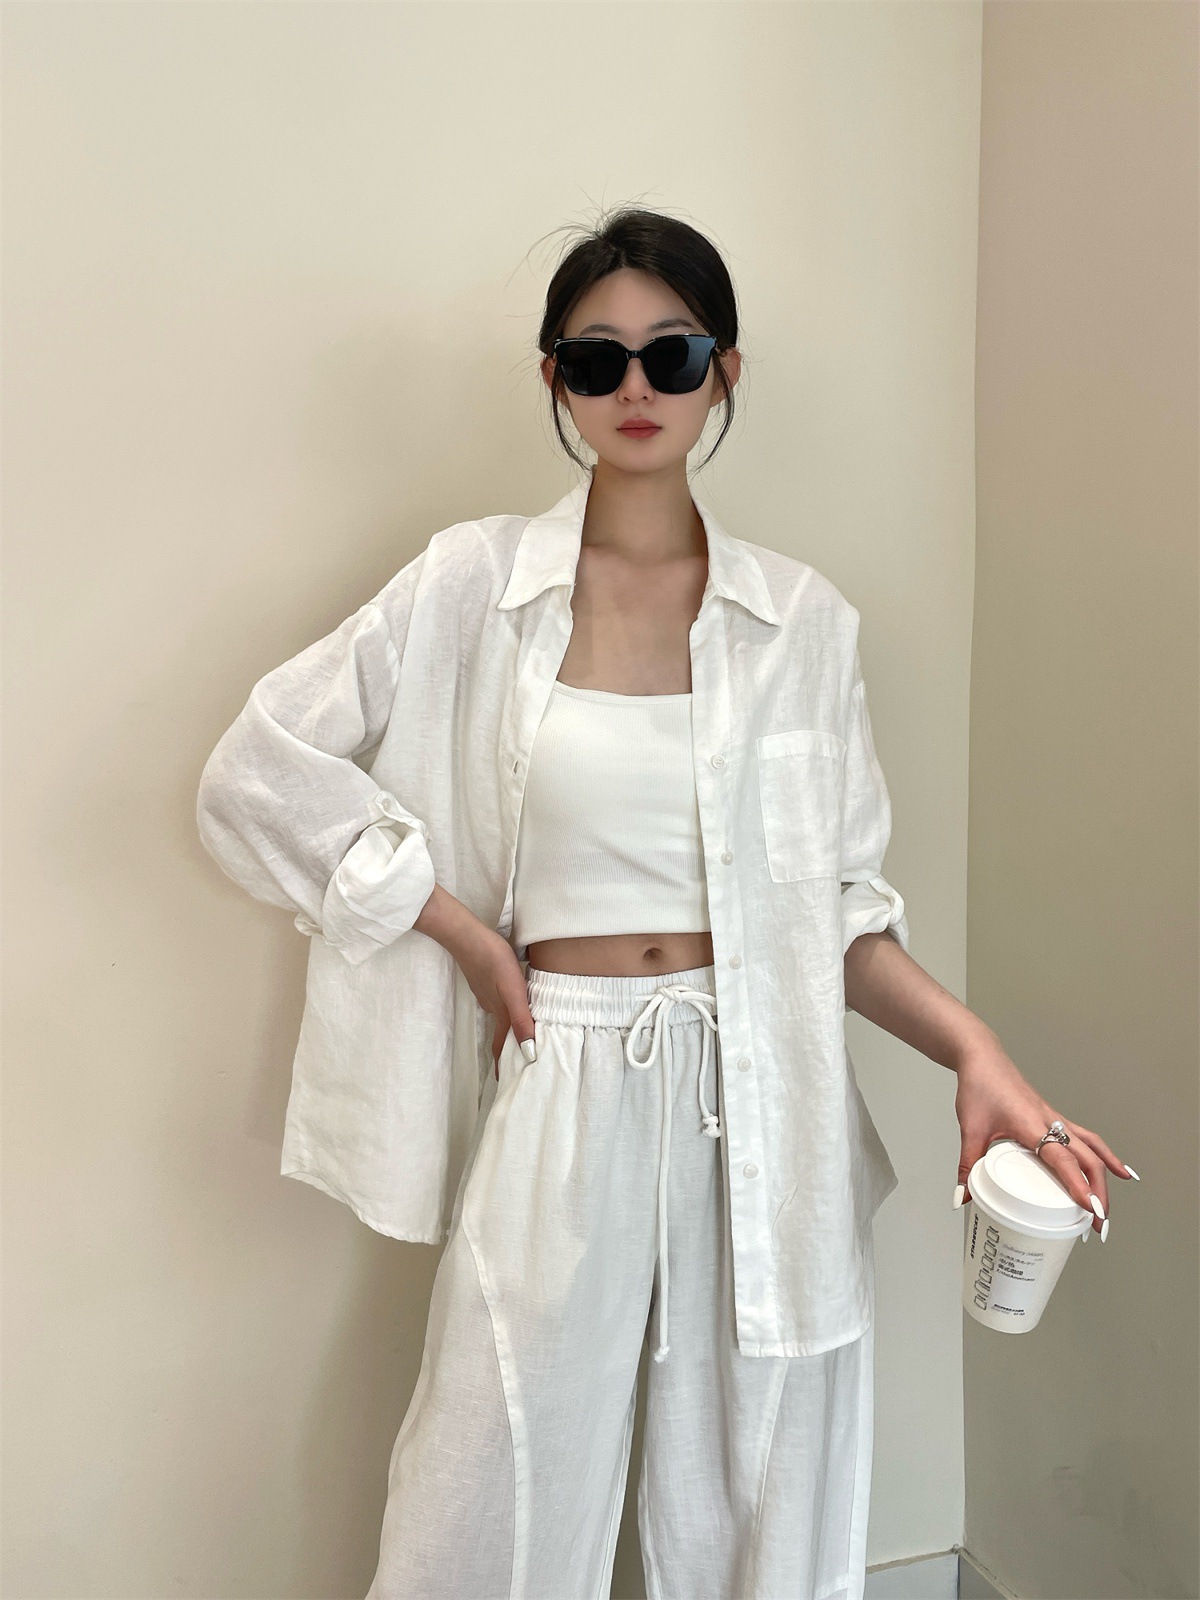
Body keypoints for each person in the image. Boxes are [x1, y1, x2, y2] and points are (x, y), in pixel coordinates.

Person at [196, 206, 1135, 1600]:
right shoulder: (471, 586)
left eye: (672, 353)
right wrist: (457, 930)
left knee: (771, 1486)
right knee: (491, 1467)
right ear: (556, 381)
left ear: (724, 371)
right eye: (596, 359)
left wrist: (977, 1054)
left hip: (765, 1086)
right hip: (564, 1061)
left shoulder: (802, 623)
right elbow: (256, 772)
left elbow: (835, 921)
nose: (636, 386)